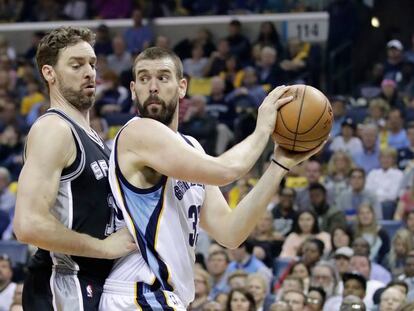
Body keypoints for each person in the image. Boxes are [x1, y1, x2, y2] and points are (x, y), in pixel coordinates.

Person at [99, 47, 324, 310]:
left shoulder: (191, 147)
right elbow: (225, 171)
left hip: (162, 297)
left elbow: (230, 233)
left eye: (162, 77)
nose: (152, 86)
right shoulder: (138, 132)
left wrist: (278, 165)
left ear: (182, 87)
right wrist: (263, 128)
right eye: (144, 78)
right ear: (134, 88)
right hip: (139, 292)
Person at [13, 27, 136, 310]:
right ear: (49, 73)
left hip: (93, 281)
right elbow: (28, 224)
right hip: (64, 282)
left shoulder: (92, 135)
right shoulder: (54, 129)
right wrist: (103, 248)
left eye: (92, 63)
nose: (90, 72)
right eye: (76, 64)